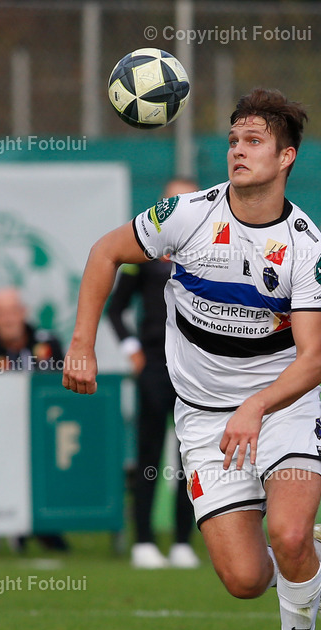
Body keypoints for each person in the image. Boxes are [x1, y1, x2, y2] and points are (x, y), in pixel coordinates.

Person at [62, 88, 321, 630]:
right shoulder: (188, 215)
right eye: (233, 141)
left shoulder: (307, 247)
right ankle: (311, 567)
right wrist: (82, 340)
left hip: (281, 408)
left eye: (254, 142)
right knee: (245, 579)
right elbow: (104, 253)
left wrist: (256, 405)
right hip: (202, 421)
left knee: (288, 533)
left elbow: (313, 360)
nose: (238, 152)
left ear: (287, 157)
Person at [107, 177, 202, 569]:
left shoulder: (214, 248)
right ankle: (143, 540)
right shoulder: (144, 249)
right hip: (155, 363)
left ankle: (182, 541)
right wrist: (133, 350)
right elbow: (115, 308)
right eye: (172, 201)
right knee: (148, 451)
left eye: (188, 199)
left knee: (191, 454)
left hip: (198, 366)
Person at [0, 287, 69, 552]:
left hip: (48, 433)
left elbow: (62, 386)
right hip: (3, 439)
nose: (7, 319)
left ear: (23, 312)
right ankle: (13, 527)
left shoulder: (48, 343)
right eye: (0, 313)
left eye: (12, 312)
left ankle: (49, 528)